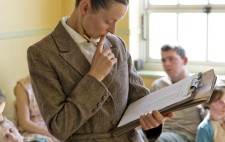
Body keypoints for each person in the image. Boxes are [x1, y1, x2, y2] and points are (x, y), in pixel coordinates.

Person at [27, 0, 174, 141]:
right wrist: (95, 76)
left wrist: (153, 122)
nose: (113, 30)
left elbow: (140, 100)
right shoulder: (42, 53)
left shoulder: (117, 44)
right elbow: (59, 127)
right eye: (109, 21)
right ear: (85, 8)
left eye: (117, 21)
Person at [150, 44, 206, 142]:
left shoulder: (199, 84)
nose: (166, 64)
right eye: (163, 60)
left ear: (184, 61)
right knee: (132, 135)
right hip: (160, 131)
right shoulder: (158, 85)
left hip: (186, 135)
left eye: (171, 59)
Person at [14, 75, 58, 142]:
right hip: (34, 130)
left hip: (56, 127)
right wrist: (50, 133)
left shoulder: (55, 81)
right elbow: (24, 122)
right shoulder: (23, 86)